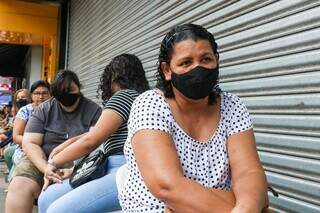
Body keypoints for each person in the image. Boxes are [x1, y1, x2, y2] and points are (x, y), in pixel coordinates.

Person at [119, 24, 269, 213]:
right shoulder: (150, 105)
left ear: (217, 61)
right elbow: (168, 188)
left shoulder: (232, 106)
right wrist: (255, 204)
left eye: (206, 59)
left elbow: (249, 172)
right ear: (167, 70)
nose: (197, 69)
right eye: (185, 63)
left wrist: (246, 207)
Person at [38, 54, 149, 213]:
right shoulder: (140, 98)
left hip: (125, 171)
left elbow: (91, 140)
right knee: (47, 197)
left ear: (113, 78)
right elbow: (93, 135)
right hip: (108, 165)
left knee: (57, 210)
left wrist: (53, 162)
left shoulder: (124, 96)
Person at [5, 70, 102, 213]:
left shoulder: (93, 110)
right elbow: (30, 142)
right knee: (19, 186)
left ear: (79, 88)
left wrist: (70, 166)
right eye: (61, 91)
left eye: (70, 90)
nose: (66, 94)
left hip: (78, 160)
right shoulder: (44, 109)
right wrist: (46, 168)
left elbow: (95, 142)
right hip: (42, 157)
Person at [3, 89, 31, 178]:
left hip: (29, 143)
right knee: (8, 152)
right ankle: (12, 174)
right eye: (18, 98)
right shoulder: (18, 112)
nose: (20, 100)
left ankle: (13, 176)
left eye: (23, 97)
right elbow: (14, 134)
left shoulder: (33, 110)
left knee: (9, 151)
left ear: (29, 97)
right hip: (20, 143)